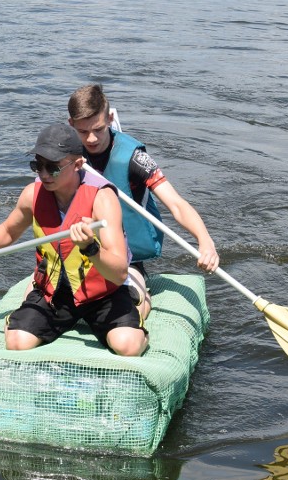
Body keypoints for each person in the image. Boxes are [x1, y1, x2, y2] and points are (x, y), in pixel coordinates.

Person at [0, 123, 148, 357]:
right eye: (38, 166)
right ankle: (34, 295)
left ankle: (140, 301)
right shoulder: (32, 195)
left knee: (128, 346)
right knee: (17, 342)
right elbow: (7, 232)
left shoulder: (102, 199)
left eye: (53, 168)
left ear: (77, 165)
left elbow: (118, 272)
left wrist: (90, 247)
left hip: (103, 292)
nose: (44, 174)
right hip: (55, 292)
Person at [67, 83, 220, 315]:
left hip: (123, 256)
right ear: (71, 125)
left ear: (109, 118)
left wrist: (205, 240)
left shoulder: (136, 158)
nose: (91, 139)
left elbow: (176, 204)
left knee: (135, 307)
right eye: (82, 132)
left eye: (98, 129)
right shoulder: (65, 154)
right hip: (75, 248)